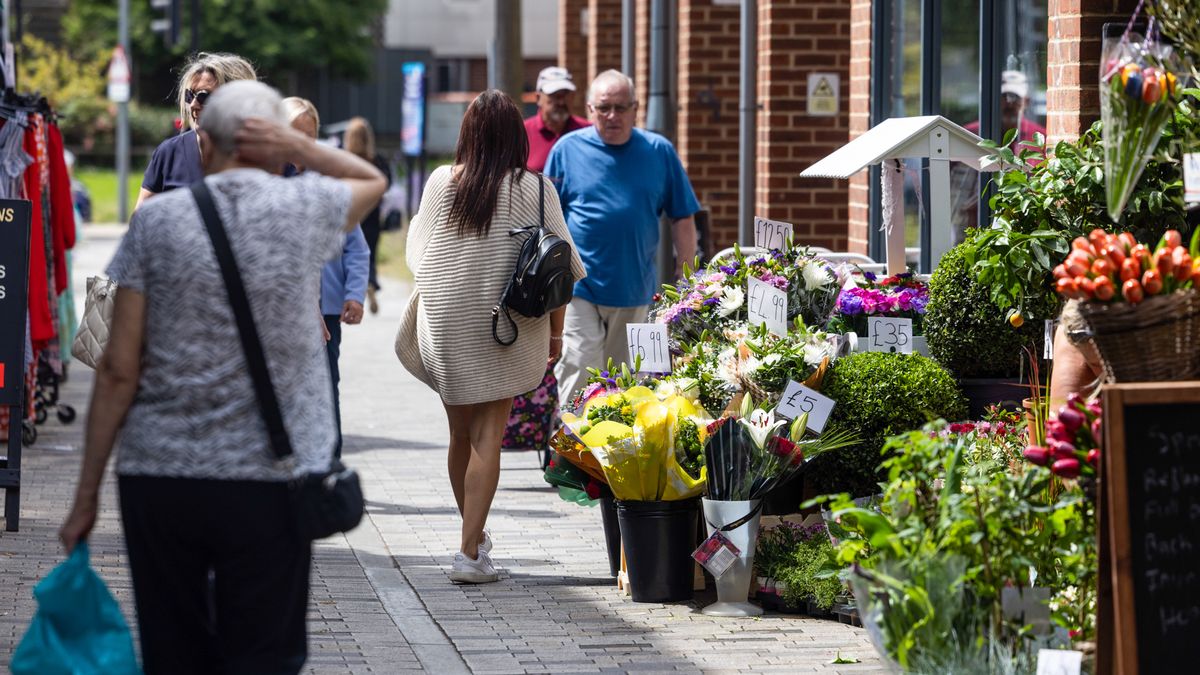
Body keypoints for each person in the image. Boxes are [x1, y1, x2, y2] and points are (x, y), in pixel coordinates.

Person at [59, 80, 387, 673]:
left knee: (174, 648)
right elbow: (372, 182)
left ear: (203, 144)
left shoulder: (155, 225)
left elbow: (116, 371)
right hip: (271, 479)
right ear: (273, 144)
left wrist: (86, 496)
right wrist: (299, 146)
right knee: (262, 652)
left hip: (162, 475)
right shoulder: (305, 209)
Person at [395, 90, 586, 584]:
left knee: (460, 435)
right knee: (488, 438)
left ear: (468, 133)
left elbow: (418, 254)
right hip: (508, 325)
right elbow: (562, 266)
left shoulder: (441, 181)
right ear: (514, 136)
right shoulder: (538, 187)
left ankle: (473, 543)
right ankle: (468, 552)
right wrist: (556, 334)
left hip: (446, 320)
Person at [544, 70, 700, 402]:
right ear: (589, 109)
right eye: (604, 108)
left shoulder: (659, 151)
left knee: (628, 384)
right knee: (579, 370)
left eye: (620, 107)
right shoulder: (566, 150)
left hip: (636, 290)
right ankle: (571, 450)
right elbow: (547, 219)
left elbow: (682, 218)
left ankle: (615, 453)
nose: (612, 116)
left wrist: (686, 277)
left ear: (635, 108)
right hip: (577, 288)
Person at [503, 67, 591, 456]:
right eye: (552, 94)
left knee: (572, 362)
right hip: (531, 263)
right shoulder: (522, 134)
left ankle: (567, 447)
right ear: (537, 96)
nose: (559, 101)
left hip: (569, 262)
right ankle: (536, 441)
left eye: (565, 94)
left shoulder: (585, 132)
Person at [284, 97, 369, 459]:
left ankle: (328, 460)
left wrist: (355, 293)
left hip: (327, 310)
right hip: (283, 310)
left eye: (310, 135)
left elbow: (357, 247)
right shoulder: (268, 179)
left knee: (324, 385)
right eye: (294, 134)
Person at [135, 52, 257, 211]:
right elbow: (140, 223)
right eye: (189, 95)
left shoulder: (267, 156)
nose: (193, 104)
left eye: (203, 97)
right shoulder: (169, 153)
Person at [343, 117, 392, 314]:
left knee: (352, 253)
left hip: (352, 214)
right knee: (369, 253)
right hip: (372, 215)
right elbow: (388, 182)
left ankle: (355, 289)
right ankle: (370, 281)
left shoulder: (345, 159)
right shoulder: (376, 160)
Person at [524, 66, 590, 172]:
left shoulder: (587, 131)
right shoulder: (521, 133)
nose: (561, 102)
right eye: (554, 95)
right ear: (538, 98)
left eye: (565, 95)